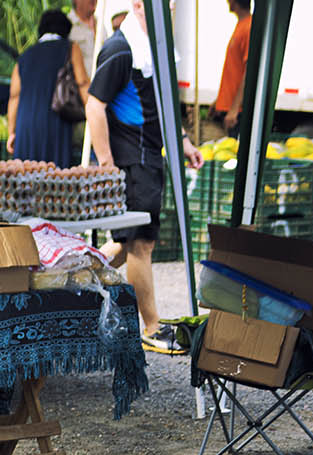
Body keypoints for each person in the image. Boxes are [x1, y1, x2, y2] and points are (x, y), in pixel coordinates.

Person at [86, 0, 200, 351]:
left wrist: (182, 142)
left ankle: (74, 284)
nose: (168, 14)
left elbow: (160, 106)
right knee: (140, 244)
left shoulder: (153, 51)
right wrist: (106, 162)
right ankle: (151, 328)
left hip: (150, 156)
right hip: (130, 162)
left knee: (128, 242)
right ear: (138, 6)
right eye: (161, 8)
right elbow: (94, 106)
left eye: (170, 9)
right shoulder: (120, 49)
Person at [7, 9, 76, 166]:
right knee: (54, 178)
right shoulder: (70, 48)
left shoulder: (25, 55)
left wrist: (11, 132)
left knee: (25, 176)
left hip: (26, 124)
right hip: (57, 121)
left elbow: (14, 96)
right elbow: (83, 82)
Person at [213, 0, 251, 138]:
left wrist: (234, 109)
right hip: (231, 107)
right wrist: (219, 101)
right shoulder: (241, 25)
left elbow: (249, 72)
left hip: (238, 111)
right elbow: (235, 69)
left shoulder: (248, 26)